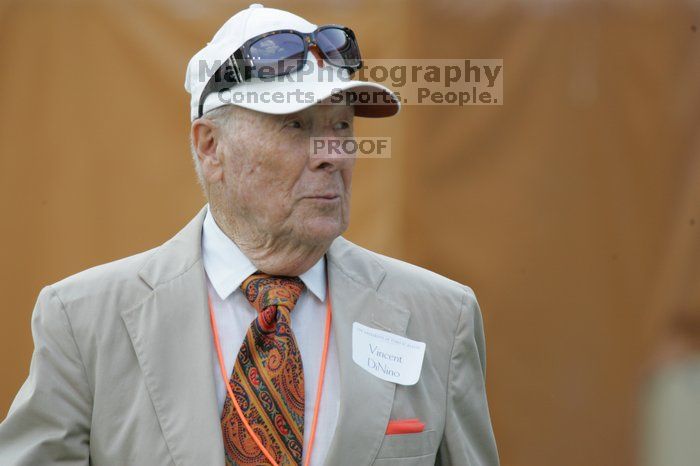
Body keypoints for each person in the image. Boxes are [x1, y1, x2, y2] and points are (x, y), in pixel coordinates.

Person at [0, 4, 499, 465]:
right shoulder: (84, 322)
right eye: (297, 126)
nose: (333, 152)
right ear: (211, 146)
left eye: (342, 125)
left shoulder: (441, 318)